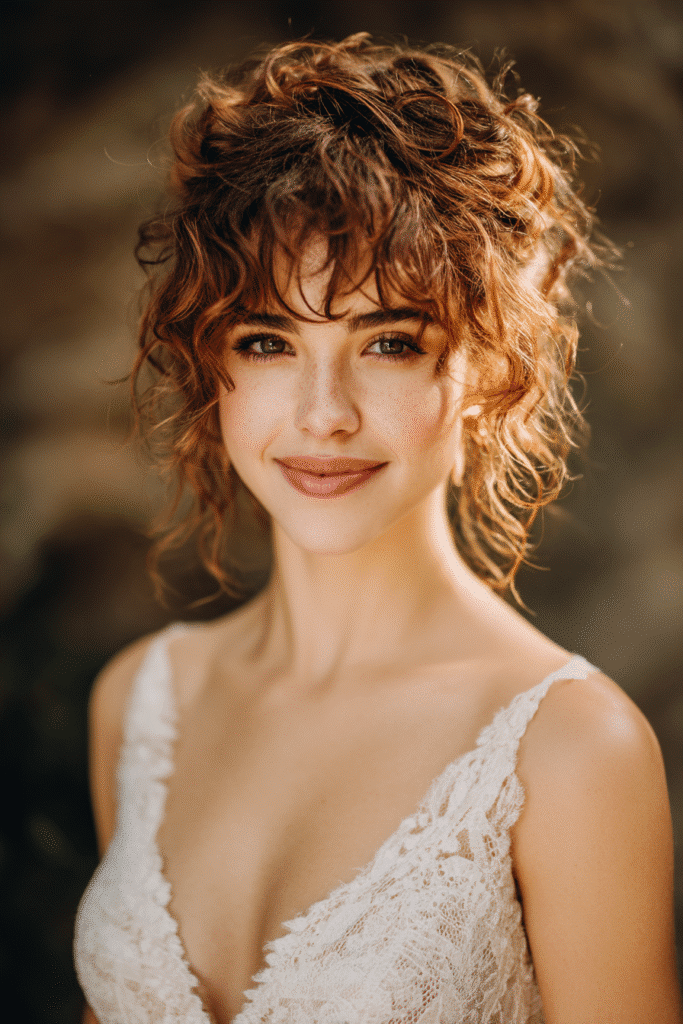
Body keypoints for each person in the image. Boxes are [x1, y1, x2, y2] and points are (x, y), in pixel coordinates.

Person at [74, 33, 682, 1024]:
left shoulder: (571, 751)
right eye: (266, 340)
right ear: (208, 365)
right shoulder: (139, 702)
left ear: (486, 373)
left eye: (389, 342)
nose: (322, 414)